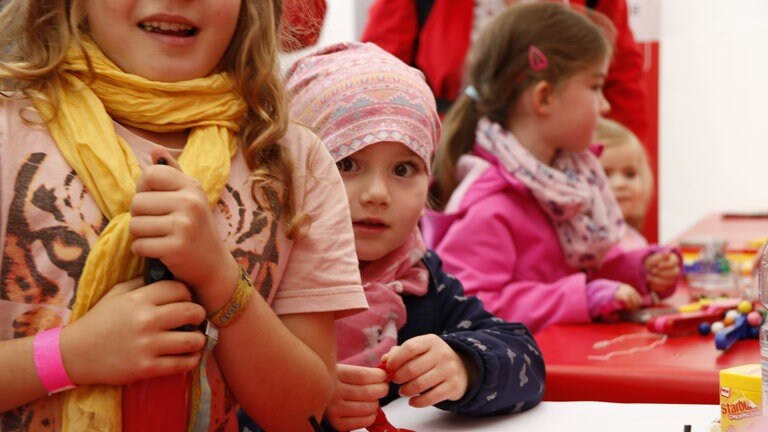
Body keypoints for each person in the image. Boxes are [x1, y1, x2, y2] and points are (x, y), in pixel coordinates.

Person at [0, 1, 368, 431]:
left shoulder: (296, 163)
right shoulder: (10, 129)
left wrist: (219, 277)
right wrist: (69, 356)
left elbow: (301, 414)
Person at [282, 42, 545, 432]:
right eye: (347, 163)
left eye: (403, 169)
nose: (377, 194)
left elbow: (527, 360)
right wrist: (302, 398)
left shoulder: (419, 279)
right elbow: (207, 405)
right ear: (288, 170)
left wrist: (464, 364)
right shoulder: (260, 280)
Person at [422, 3, 680, 335]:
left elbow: (586, 264)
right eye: (595, 86)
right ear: (544, 97)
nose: (606, 105)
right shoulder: (490, 204)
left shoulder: (565, 185)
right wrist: (580, 298)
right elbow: (471, 304)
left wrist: (637, 269)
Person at [362, 0, 649, 143]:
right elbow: (381, 81)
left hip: (562, 162)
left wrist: (620, 168)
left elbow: (621, 87)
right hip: (446, 164)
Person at [595, 117, 654, 249]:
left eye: (630, 174)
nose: (620, 184)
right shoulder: (590, 244)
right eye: (605, 175)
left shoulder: (632, 236)